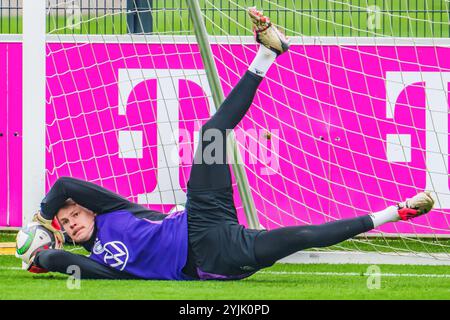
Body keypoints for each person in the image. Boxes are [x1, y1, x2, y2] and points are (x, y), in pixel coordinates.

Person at [22, 7, 434, 280]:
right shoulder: (98, 263)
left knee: (211, 135)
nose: (73, 219)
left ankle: (267, 54)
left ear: (89, 209)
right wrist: (42, 254)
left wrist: (43, 218)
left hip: (203, 214)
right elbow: (59, 261)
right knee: (299, 237)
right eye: (67, 222)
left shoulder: (119, 211)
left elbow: (66, 184)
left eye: (74, 214)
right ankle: (394, 213)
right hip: (215, 257)